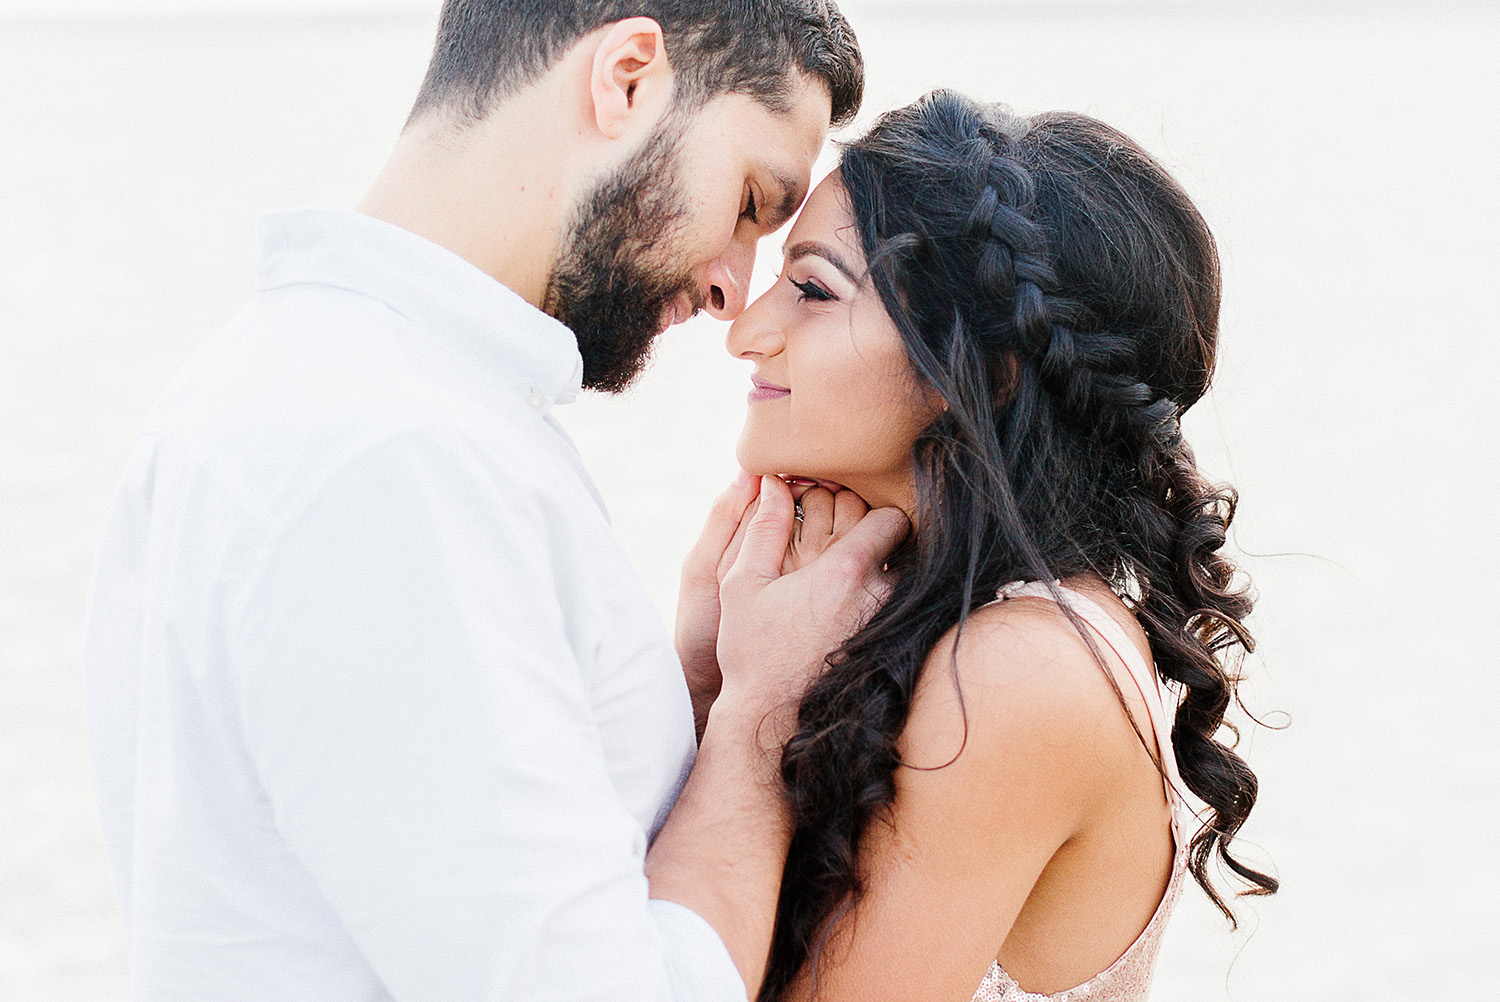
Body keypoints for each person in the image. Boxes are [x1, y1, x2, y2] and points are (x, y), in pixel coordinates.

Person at [80, 3, 909, 1001]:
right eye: (747, 203)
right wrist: (765, 718)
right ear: (630, 76)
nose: (737, 292)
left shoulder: (292, 387)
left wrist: (692, 689)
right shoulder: (396, 458)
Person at [699, 90, 1280, 1001]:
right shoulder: (911, 616)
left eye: (812, 289)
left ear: (983, 372)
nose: (746, 330)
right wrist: (710, 665)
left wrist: (751, 710)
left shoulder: (1021, 674)